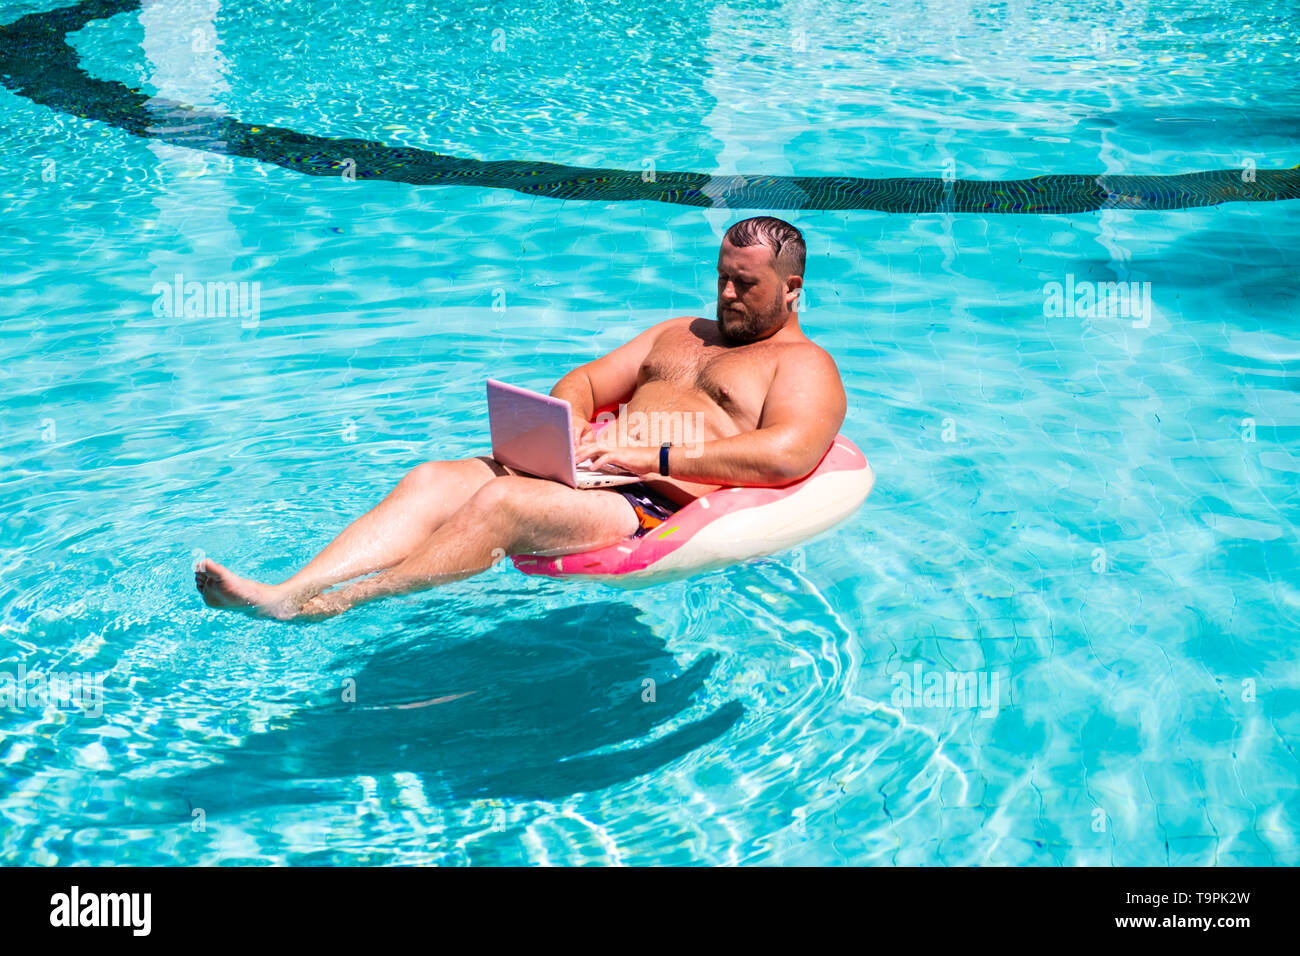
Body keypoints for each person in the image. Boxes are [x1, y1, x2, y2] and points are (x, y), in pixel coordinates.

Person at [195, 216, 847, 620]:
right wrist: (570, 426)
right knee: (432, 479)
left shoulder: (803, 366)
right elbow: (589, 380)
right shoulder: (680, 333)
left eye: (746, 285)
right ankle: (288, 589)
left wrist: (655, 459)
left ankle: (334, 607)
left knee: (501, 503)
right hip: (597, 469)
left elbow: (786, 454)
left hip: (653, 500)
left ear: (792, 289)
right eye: (722, 278)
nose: (726, 294)